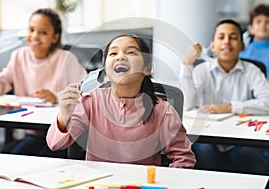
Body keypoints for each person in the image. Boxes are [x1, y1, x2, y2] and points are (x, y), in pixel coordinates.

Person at [46, 34, 196, 168]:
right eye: (113, 53)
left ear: (147, 68)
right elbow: (55, 144)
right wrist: (64, 115)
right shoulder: (90, 101)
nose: (121, 57)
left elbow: (184, 159)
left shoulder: (163, 111)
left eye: (131, 52)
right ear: (105, 69)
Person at [179, 19, 269, 175]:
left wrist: (230, 107)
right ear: (212, 46)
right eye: (221, 37)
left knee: (254, 160)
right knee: (204, 154)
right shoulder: (202, 70)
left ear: (242, 46)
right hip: (208, 138)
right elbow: (188, 106)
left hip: (242, 139)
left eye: (233, 37)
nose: (227, 42)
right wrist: (186, 65)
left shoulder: (252, 70)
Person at [0, 8, 86, 157]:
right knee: (13, 160)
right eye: (31, 30)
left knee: (49, 162)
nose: (35, 36)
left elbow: (86, 92)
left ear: (54, 37)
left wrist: (56, 97)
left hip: (62, 134)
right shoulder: (19, 56)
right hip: (34, 134)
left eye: (43, 32)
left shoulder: (66, 58)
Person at [239, 3, 269, 87]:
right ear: (251, 29)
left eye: (268, 22)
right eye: (258, 21)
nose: (263, 25)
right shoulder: (241, 51)